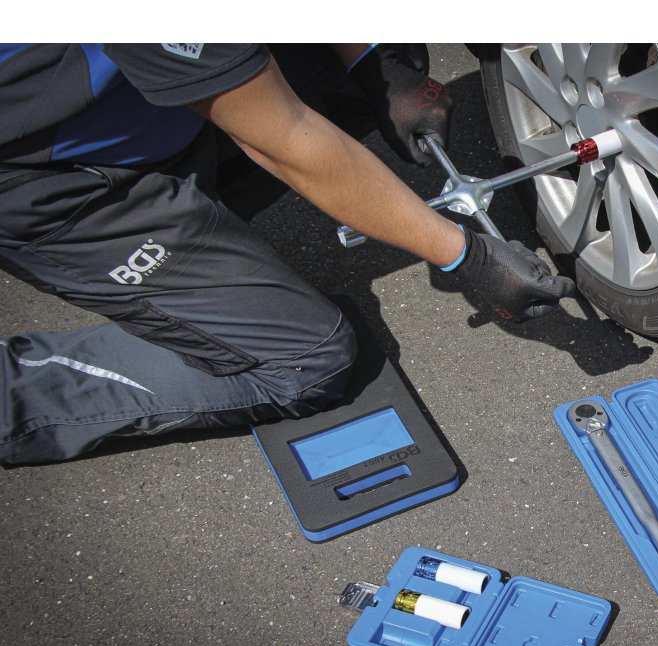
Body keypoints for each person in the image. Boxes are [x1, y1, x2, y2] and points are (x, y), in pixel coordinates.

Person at [0, 43, 576, 466]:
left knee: (351, 83)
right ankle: (19, 394)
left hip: (136, 103)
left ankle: (200, 236)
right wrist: (467, 258)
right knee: (307, 364)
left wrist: (373, 62)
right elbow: (285, 137)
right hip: (63, 186)